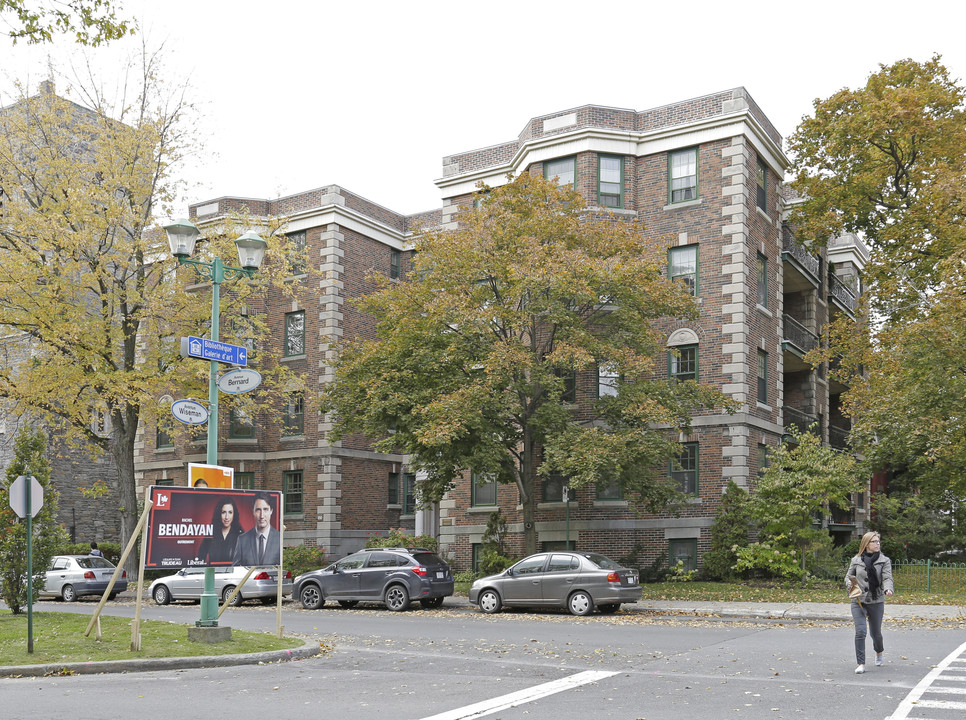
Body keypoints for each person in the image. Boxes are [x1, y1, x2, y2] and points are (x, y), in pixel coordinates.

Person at [846, 531, 894, 674]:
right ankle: (861, 663)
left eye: (878, 541)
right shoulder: (856, 560)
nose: (878, 543)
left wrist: (888, 589)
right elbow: (849, 577)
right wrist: (849, 584)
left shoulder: (884, 560)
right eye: (874, 541)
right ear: (866, 544)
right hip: (859, 600)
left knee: (876, 633)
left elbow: (887, 578)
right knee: (860, 632)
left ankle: (879, 651)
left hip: (876, 600)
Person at [232, 492, 281, 566]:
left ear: (271, 511)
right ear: (253, 512)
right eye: (258, 510)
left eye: (265, 510)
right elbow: (235, 569)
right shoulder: (242, 540)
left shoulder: (279, 538)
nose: (262, 516)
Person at [196, 497, 244, 564]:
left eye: (230, 512)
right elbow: (200, 558)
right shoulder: (211, 533)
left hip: (233, 573)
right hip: (213, 572)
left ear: (234, 514)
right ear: (219, 514)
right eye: (223, 512)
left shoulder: (240, 536)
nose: (227, 517)